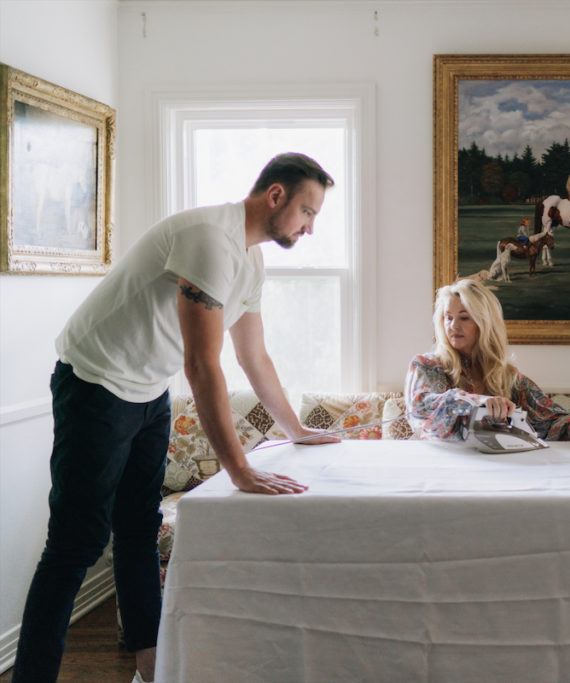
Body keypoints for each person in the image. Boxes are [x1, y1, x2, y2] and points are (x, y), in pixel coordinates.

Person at [12, 153, 341, 683]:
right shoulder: (209, 238)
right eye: (307, 212)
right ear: (275, 196)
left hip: (148, 391)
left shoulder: (250, 261)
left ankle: (152, 669)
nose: (310, 227)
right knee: (76, 542)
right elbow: (201, 364)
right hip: (96, 384)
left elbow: (253, 357)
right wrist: (240, 470)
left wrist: (296, 430)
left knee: (139, 528)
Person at [405, 278, 570, 449]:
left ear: (484, 323)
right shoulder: (427, 366)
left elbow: (546, 415)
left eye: (464, 318)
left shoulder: (507, 376)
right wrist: (478, 401)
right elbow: (422, 408)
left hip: (499, 473)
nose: (453, 326)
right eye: (448, 317)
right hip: (441, 472)